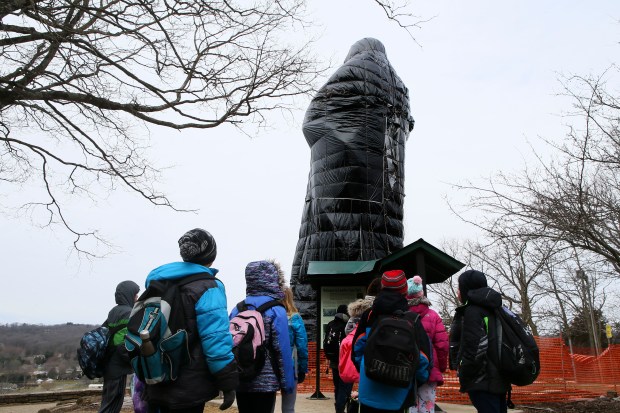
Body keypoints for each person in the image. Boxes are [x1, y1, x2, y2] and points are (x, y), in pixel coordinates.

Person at [143, 228, 238, 413]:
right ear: (211, 254)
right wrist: (227, 381)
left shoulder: (159, 282)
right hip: (189, 384)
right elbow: (215, 339)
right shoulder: (209, 286)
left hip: (156, 374)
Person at [352, 270, 430, 413]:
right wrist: (414, 380)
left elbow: (357, 349)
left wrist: (366, 369)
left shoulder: (369, 316)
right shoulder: (412, 319)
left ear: (382, 287)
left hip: (369, 388)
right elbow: (424, 359)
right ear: (405, 290)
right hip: (400, 391)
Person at [230, 260, 295, 413]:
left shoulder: (237, 309)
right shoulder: (277, 310)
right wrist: (288, 384)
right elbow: (282, 350)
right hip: (266, 383)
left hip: (241, 379)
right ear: (273, 279)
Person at [449, 269, 510, 413]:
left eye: (459, 287)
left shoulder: (473, 312)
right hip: (500, 377)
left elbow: (476, 349)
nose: (458, 291)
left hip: (483, 381)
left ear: (466, 289)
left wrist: (464, 373)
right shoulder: (496, 308)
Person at [406, 276, 449, 413]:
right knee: (427, 407)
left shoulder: (401, 315)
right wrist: (440, 367)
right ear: (421, 293)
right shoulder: (433, 315)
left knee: (409, 405)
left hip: (408, 368)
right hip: (430, 367)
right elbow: (442, 345)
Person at [99, 280, 140, 413]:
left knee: (109, 402)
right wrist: (134, 359)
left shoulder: (114, 311)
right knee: (112, 404)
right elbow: (122, 344)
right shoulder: (128, 312)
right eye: (135, 295)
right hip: (117, 366)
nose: (137, 298)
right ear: (129, 295)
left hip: (109, 363)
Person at [281, 286, 309, 413]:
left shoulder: (270, 315)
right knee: (288, 407)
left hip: (270, 366)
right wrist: (303, 368)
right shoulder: (295, 318)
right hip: (290, 365)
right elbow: (302, 345)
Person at [325, 304, 351, 413]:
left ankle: (338, 407)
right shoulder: (346, 325)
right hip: (344, 362)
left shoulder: (330, 324)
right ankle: (340, 408)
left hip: (333, 361)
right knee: (345, 387)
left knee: (337, 386)